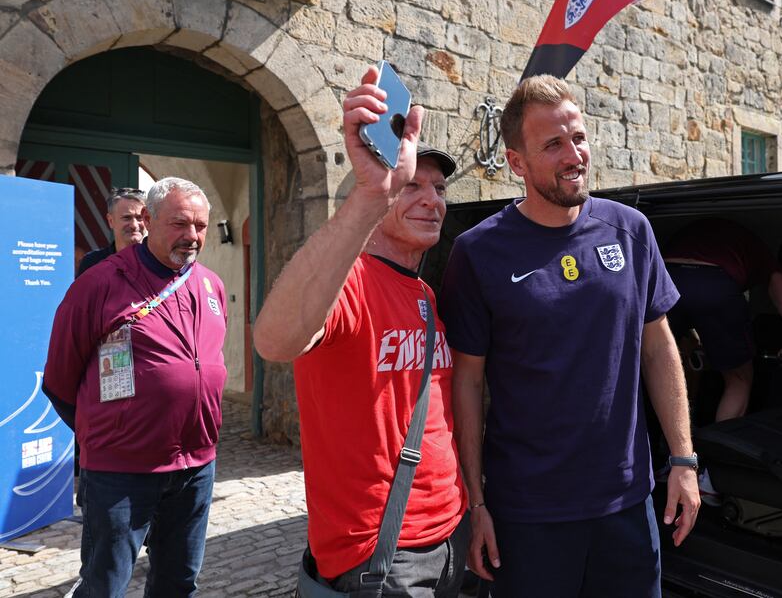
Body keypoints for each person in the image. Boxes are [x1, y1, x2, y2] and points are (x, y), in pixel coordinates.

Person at [440, 75, 700, 598]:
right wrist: (477, 503)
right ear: (517, 163)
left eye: (578, 137)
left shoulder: (631, 230)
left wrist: (683, 460)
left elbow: (659, 348)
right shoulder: (478, 252)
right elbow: (466, 383)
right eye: (553, 144)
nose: (573, 154)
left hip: (626, 502)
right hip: (528, 511)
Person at [253, 65, 468, 596]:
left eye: (439, 188)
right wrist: (371, 197)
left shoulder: (425, 294)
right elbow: (274, 341)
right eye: (411, 185)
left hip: (449, 538)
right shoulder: (347, 281)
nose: (431, 199)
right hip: (380, 553)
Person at [43, 177, 227, 597]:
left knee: (179, 582)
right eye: (180, 224)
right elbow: (59, 379)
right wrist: (112, 432)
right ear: (147, 220)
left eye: (200, 226)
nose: (192, 236)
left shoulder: (210, 284)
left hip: (195, 466)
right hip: (120, 471)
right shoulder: (99, 283)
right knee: (105, 584)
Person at [662, 218, 782, 422]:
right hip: (715, 284)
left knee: (657, 367)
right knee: (739, 379)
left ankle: (659, 442)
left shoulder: (690, 233)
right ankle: (718, 452)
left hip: (664, 277)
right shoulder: (761, 253)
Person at [77, 187, 146, 276]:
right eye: (127, 218)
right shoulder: (92, 263)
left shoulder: (158, 261)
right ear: (111, 221)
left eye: (139, 218)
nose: (134, 225)